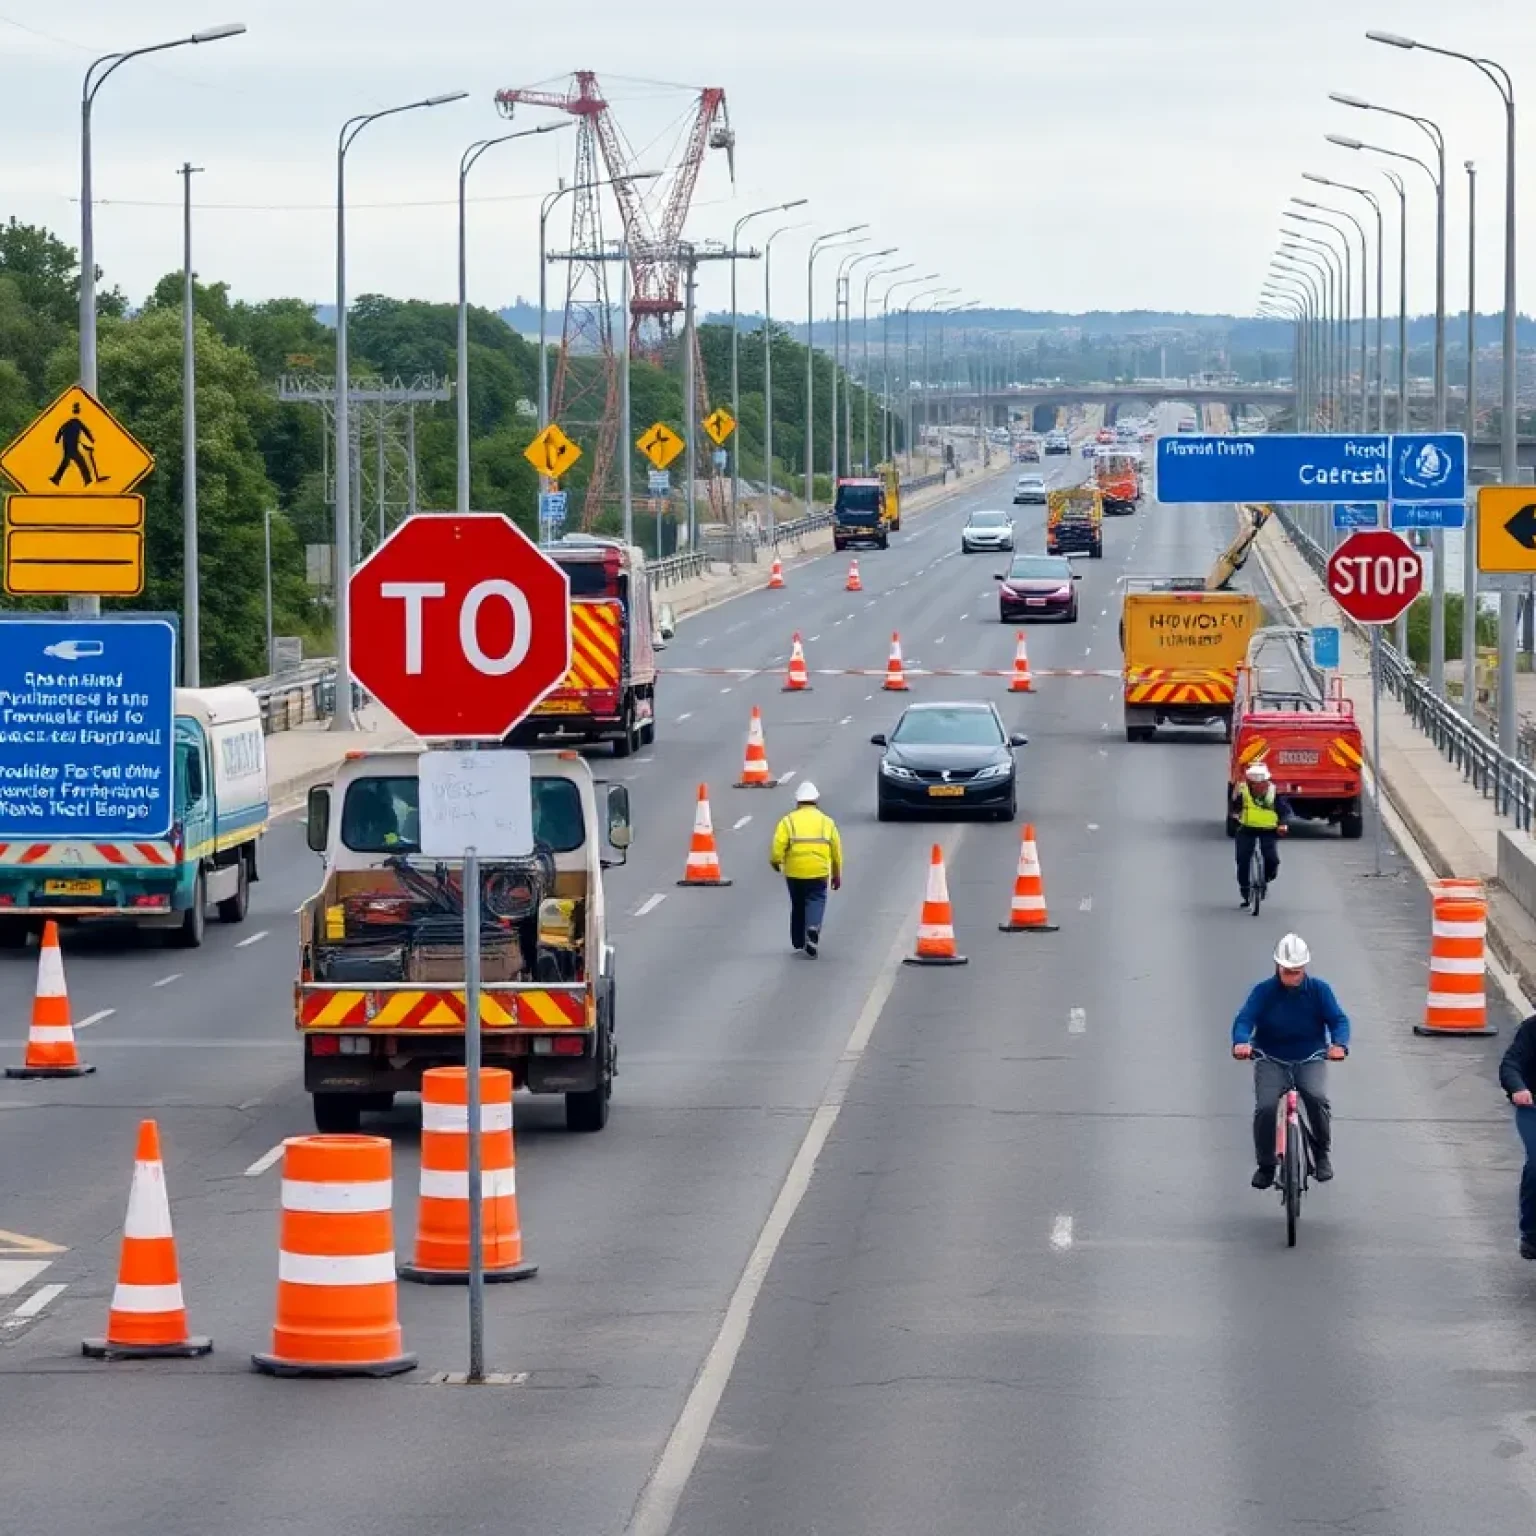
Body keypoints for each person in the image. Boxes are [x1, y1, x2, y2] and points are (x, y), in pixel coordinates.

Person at [1231, 933, 1349, 1188]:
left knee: (1316, 1098)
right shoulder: (1263, 992)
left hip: (1310, 1057)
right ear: (1277, 967)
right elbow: (1245, 1020)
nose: (1293, 977)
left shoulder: (1319, 990)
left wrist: (1339, 1044)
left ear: (1304, 968)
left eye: (1297, 972)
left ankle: (1321, 1154)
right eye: (1287, 972)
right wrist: (1241, 1042)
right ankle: (1266, 1165)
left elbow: (1338, 1020)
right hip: (1270, 1057)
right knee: (1265, 1108)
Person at [768, 781, 842, 958]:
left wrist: (776, 862)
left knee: (798, 902)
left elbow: (778, 846)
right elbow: (836, 851)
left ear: (798, 801)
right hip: (819, 871)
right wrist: (837, 874)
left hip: (795, 871)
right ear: (816, 800)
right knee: (816, 899)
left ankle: (799, 941)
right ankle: (813, 928)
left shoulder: (788, 821)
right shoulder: (827, 822)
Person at [1497, 1012, 1536, 1260]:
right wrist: (1519, 1088)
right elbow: (1510, 1064)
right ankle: (1531, 1235)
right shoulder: (1531, 1029)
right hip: (1533, 1108)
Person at [1231, 760, 1290, 909]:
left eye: (1262, 781)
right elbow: (1235, 807)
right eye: (1256, 781)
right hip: (1246, 829)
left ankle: (1265, 879)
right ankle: (1245, 890)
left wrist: (1282, 824)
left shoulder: (1274, 792)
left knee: (1272, 859)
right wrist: (1236, 814)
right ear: (1250, 782)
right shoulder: (1242, 790)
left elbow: (1284, 811)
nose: (1260, 784)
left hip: (1269, 830)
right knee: (1243, 859)